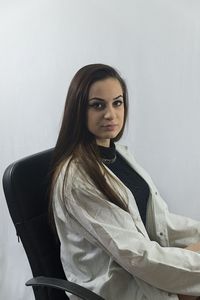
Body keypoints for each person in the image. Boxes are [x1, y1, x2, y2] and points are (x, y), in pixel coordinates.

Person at [50, 63, 200, 300]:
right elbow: (135, 255)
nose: (111, 114)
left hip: (139, 266)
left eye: (117, 103)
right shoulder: (77, 179)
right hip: (118, 287)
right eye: (97, 105)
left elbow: (160, 222)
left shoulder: (118, 155)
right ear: (79, 110)